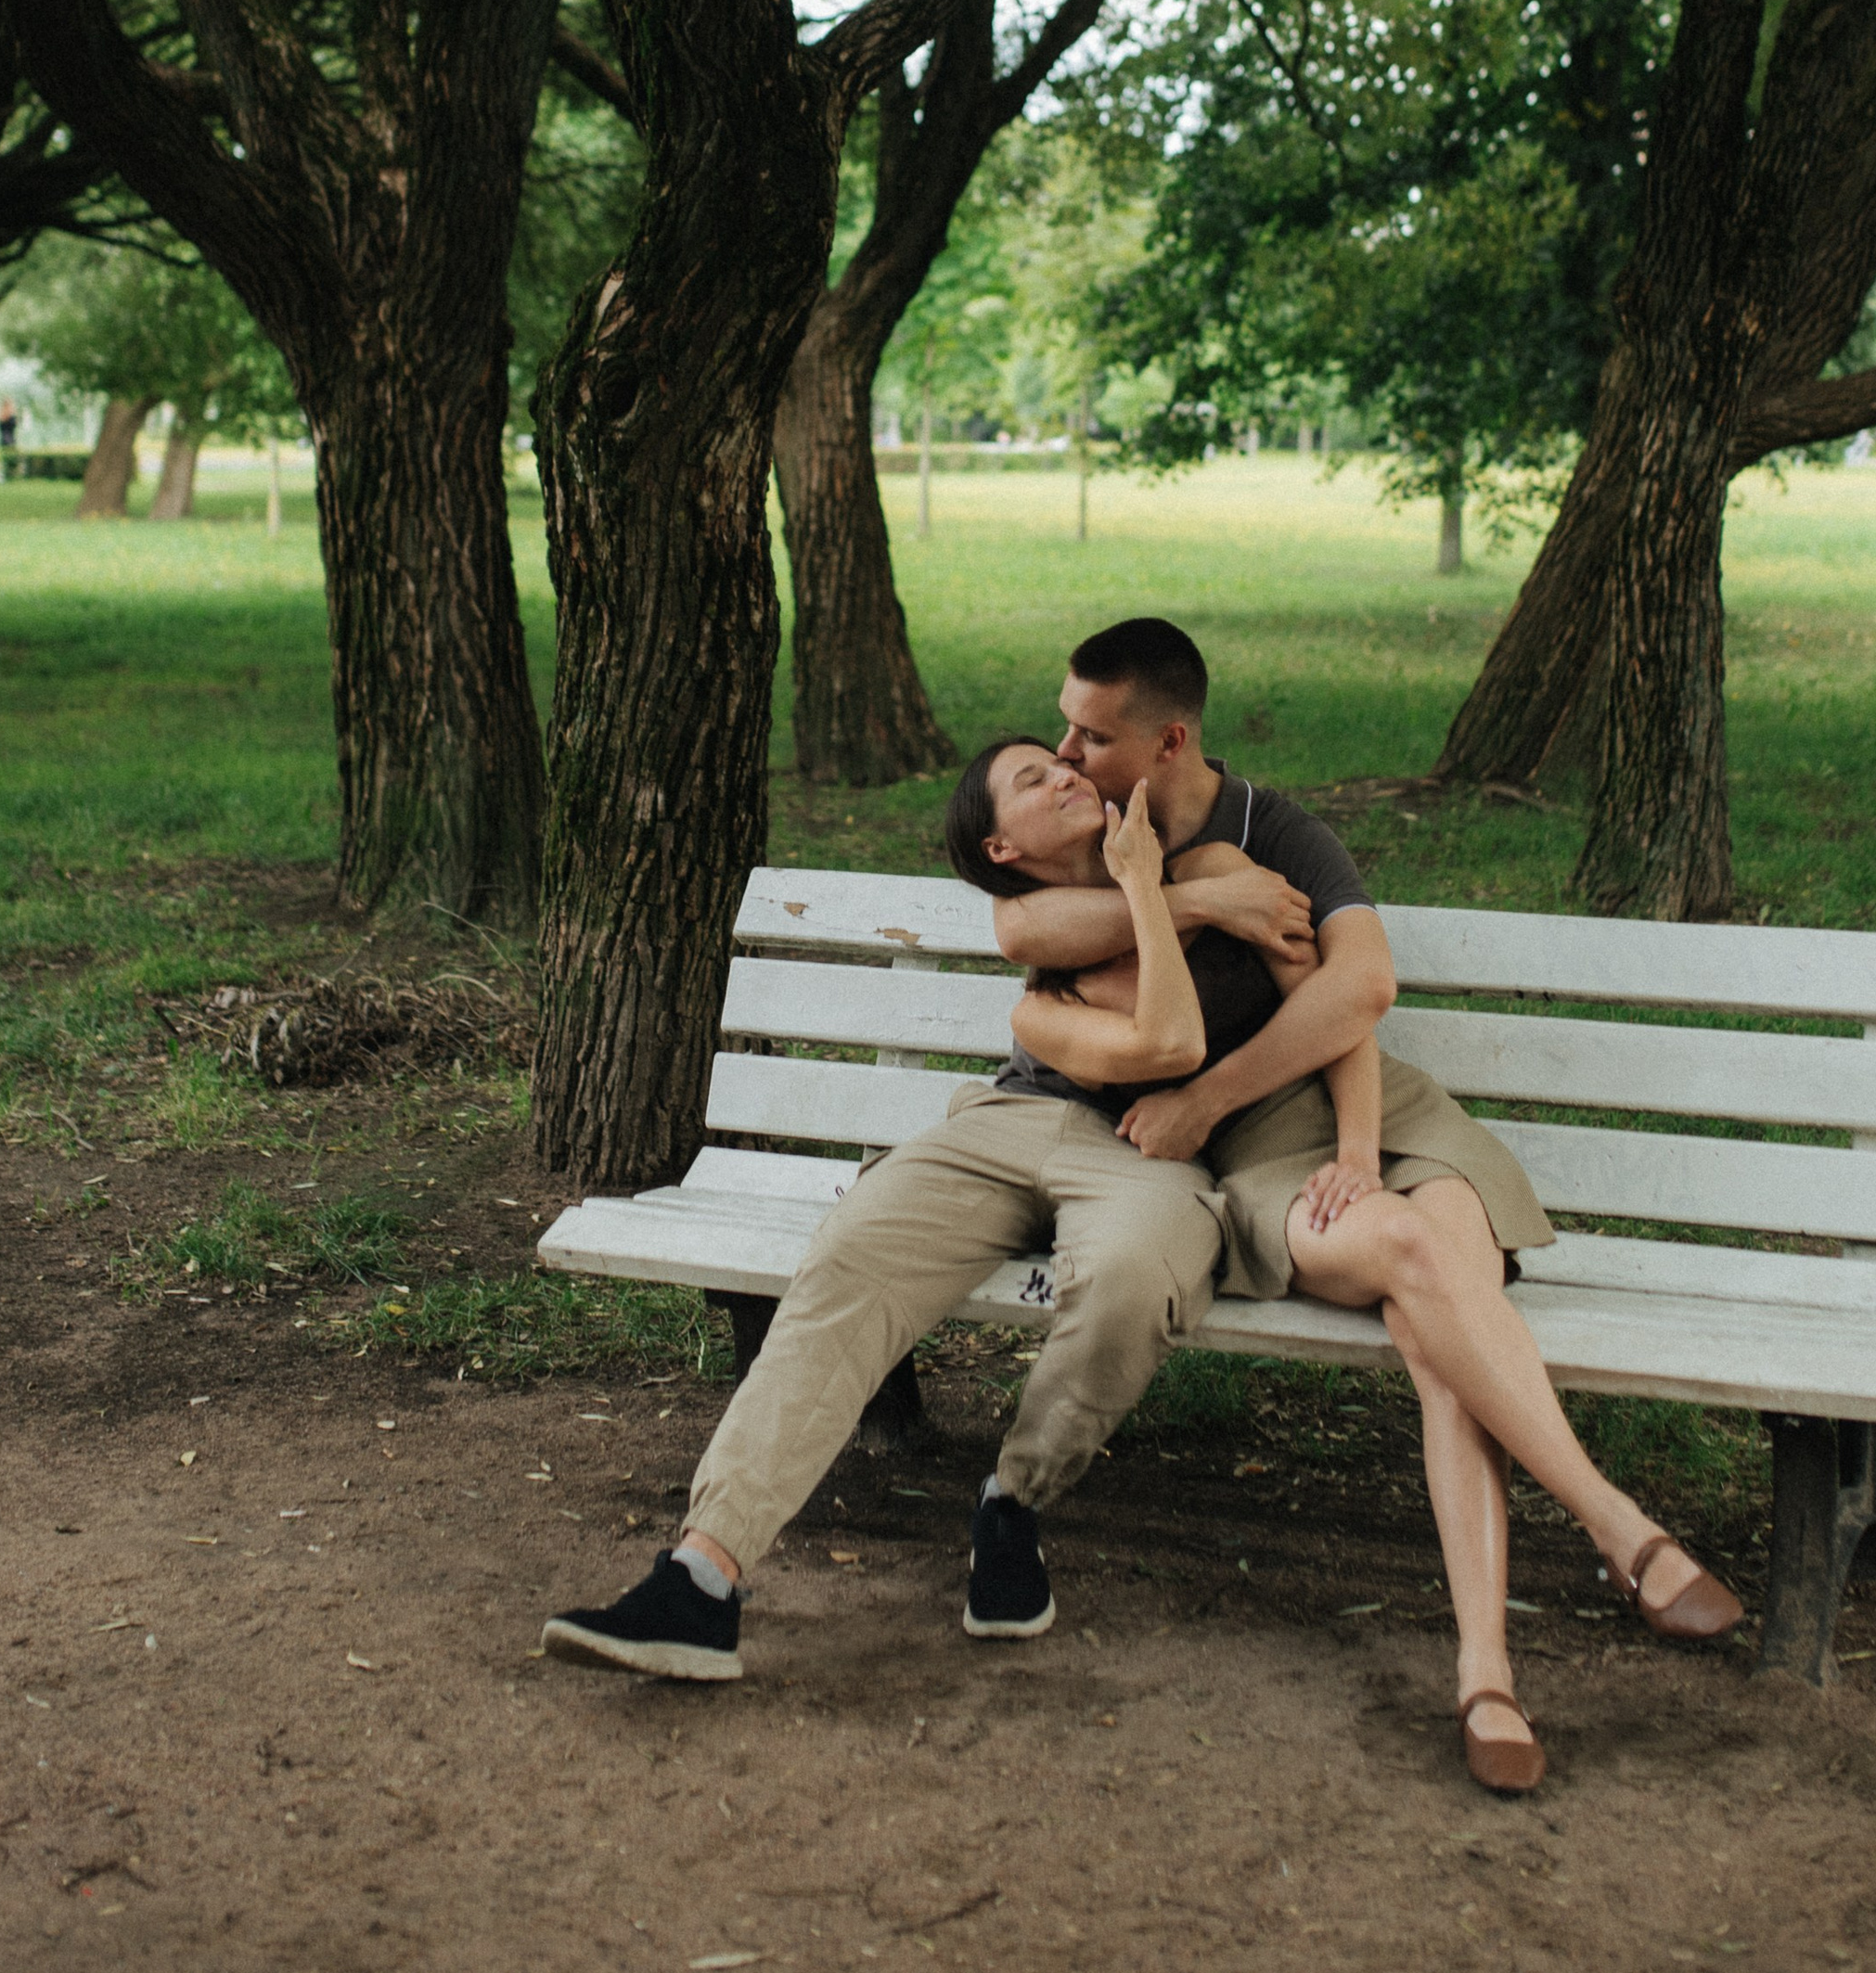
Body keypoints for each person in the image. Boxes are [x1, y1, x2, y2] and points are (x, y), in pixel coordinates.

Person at [983, 616, 1742, 1792]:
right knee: (1420, 1272)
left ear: (1168, 738)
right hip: (1260, 1167)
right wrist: (1176, 938)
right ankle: (1616, 1529)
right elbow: (1023, 925)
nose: (1067, 756)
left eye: (1089, 737)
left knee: (1437, 1317)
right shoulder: (1107, 856)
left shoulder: (1264, 839)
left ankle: (1489, 1669)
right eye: (1063, 737)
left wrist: (1351, 1140)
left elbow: (1354, 991)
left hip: (1381, 1118)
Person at [539, 749, 1315, 1685]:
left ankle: (1010, 1503)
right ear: (1000, 843)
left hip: (1146, 1152)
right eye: (1033, 779)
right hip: (1004, 1124)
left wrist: (1166, 883)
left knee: (1131, 1278)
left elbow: (1261, 989)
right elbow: (1082, 967)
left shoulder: (1192, 858)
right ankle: (701, 1577)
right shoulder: (1035, 926)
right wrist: (1164, 897)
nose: (1066, 772)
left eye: (1064, 761)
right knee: (851, 1256)